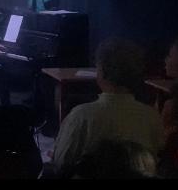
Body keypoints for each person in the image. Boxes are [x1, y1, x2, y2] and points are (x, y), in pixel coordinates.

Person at [50, 38, 164, 177]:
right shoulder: (152, 117)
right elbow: (157, 160)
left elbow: (61, 163)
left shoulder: (81, 116)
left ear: (102, 72)